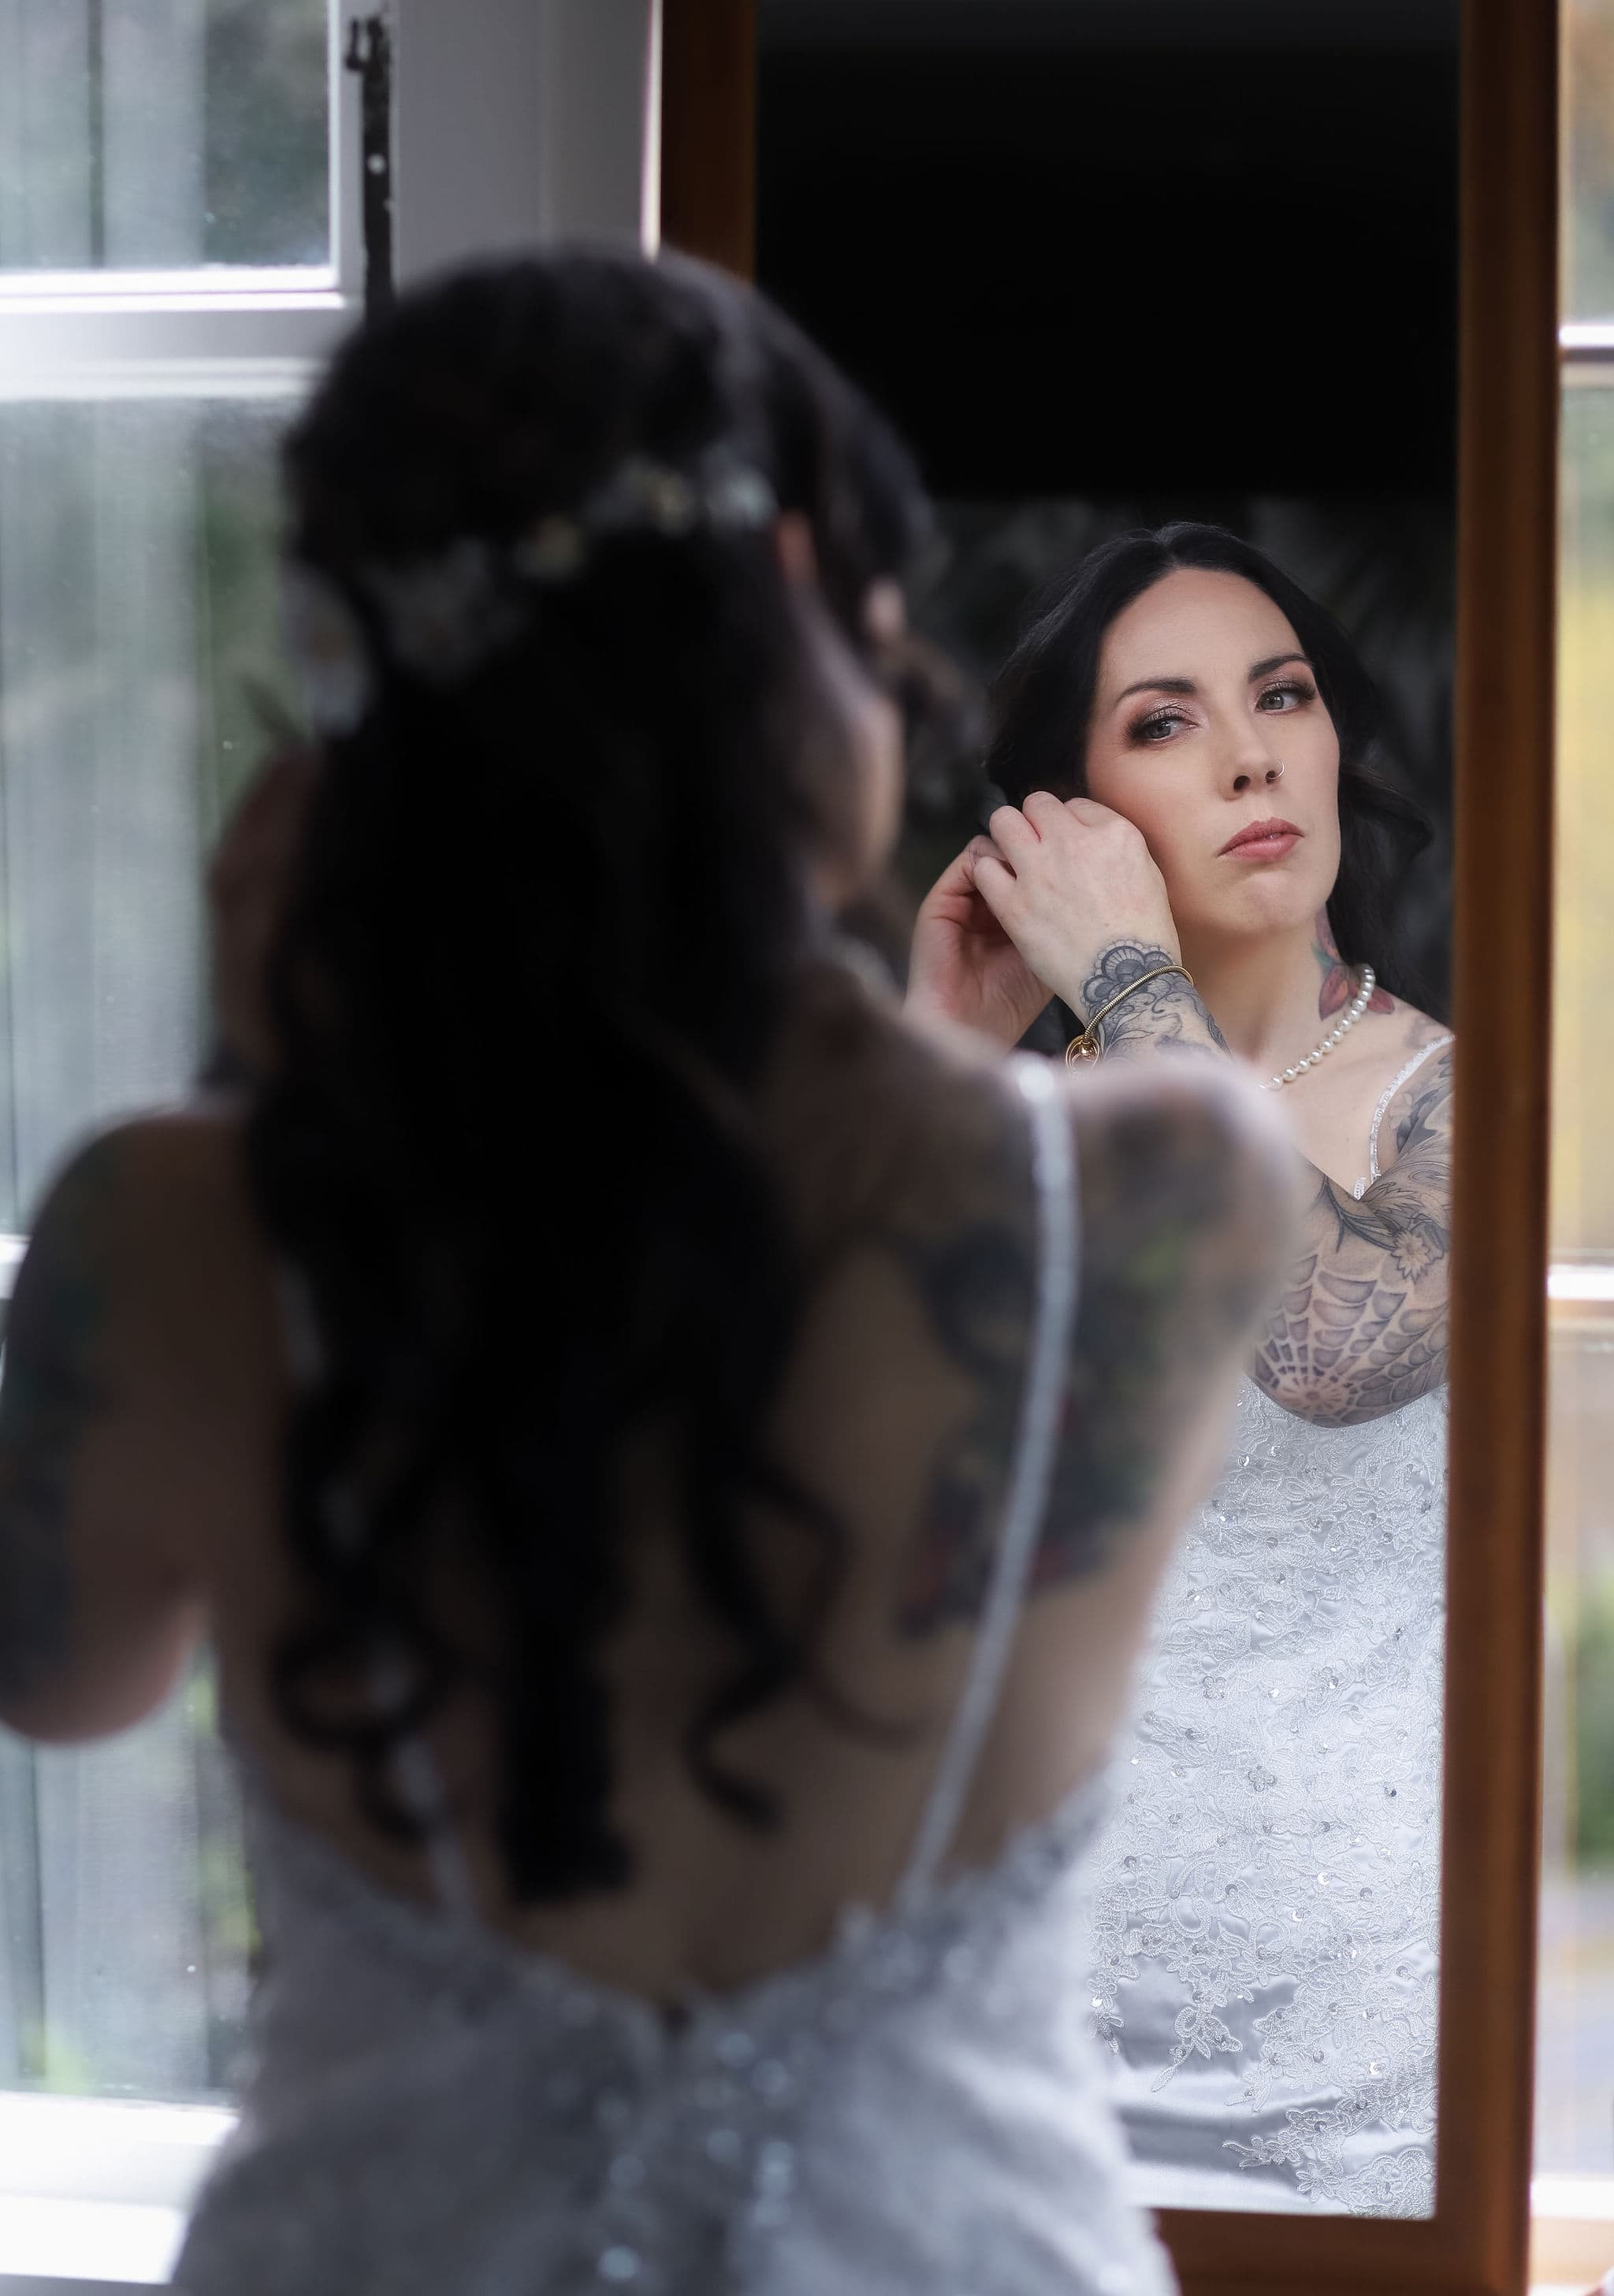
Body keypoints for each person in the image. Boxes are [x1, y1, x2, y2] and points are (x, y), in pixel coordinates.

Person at [0, 259, 1294, 2294]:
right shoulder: (1173, 1187)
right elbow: (804, 1282)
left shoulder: (167, 1239)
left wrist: (261, 1073)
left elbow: (57, 1678)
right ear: (804, 588)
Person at [907, 523, 1452, 2219]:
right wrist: (931, 1057)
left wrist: (1131, 984)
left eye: (1279, 695)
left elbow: (1317, 1344)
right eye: (1162, 722)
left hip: (1349, 2043)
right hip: (1004, 2016)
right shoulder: (1008, 1120)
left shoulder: (1461, 1098)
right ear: (1067, 825)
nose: (1246, 752)